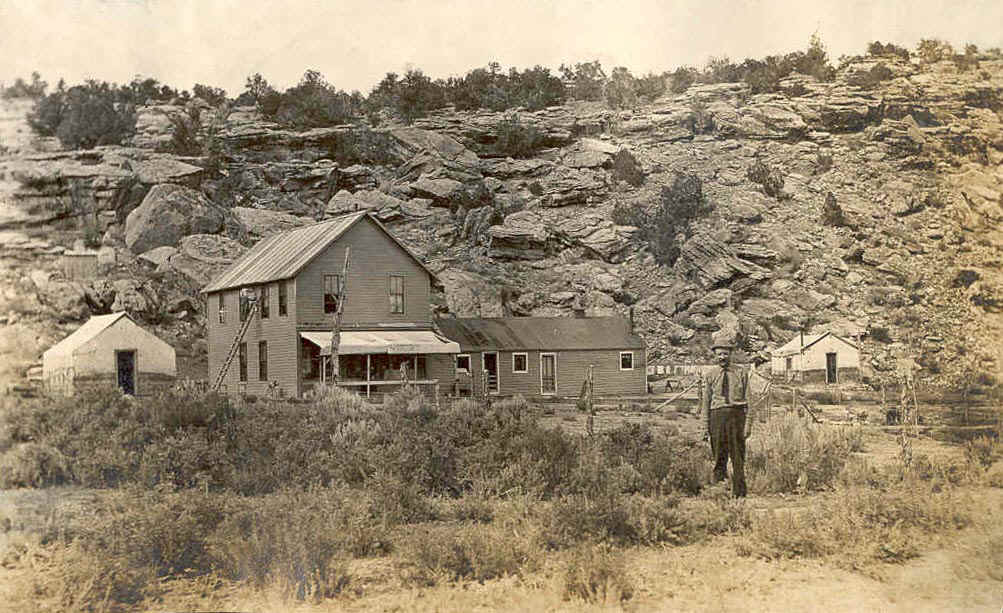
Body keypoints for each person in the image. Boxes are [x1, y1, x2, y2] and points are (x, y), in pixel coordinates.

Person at [701, 334, 752, 498]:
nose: (723, 356)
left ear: (731, 354)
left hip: (736, 417)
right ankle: (719, 492)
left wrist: (748, 425)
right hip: (717, 418)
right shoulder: (710, 375)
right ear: (715, 355)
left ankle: (740, 495)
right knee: (718, 457)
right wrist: (704, 428)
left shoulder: (742, 373)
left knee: (738, 458)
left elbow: (750, 401)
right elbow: (705, 404)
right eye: (719, 354)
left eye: (726, 353)